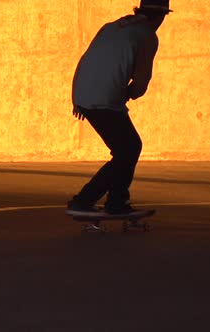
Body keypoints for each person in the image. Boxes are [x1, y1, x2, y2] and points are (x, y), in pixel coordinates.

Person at [66, 0, 172, 216]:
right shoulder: (147, 35)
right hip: (105, 98)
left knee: (126, 149)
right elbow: (141, 83)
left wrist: (78, 97)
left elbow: (86, 60)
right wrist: (128, 94)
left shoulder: (111, 26)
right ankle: (88, 201)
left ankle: (116, 201)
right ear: (161, 16)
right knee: (129, 149)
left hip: (83, 94)